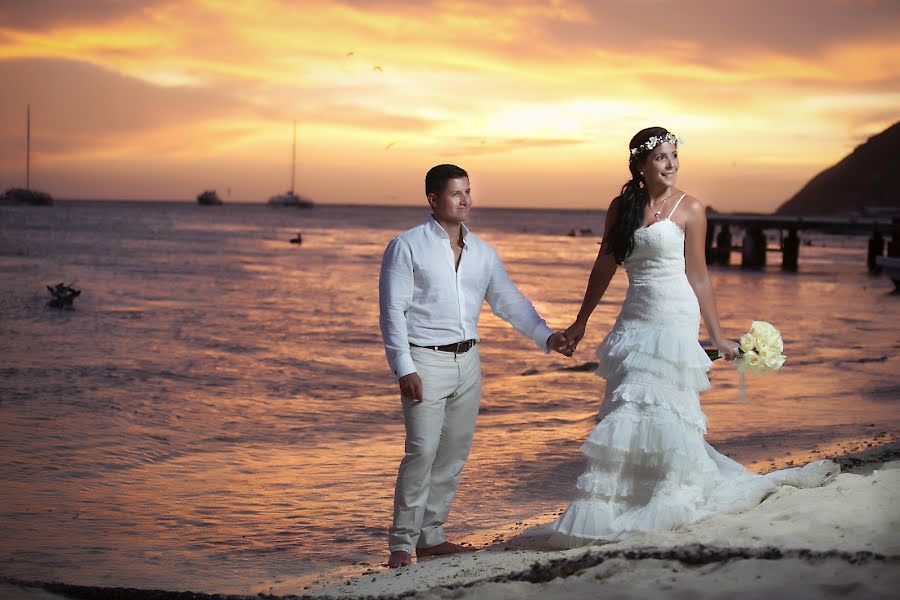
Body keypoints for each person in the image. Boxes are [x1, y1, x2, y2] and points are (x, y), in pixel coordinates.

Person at [549, 127, 838, 547]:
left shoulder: (691, 208)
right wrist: (581, 322)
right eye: (662, 158)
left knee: (666, 403)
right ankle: (622, 500)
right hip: (635, 315)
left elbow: (698, 275)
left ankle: (672, 492)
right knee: (627, 401)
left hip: (675, 313)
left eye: (674, 156)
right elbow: (604, 266)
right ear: (641, 165)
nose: (671, 165)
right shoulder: (621, 207)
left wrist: (717, 336)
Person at [379, 164, 570, 567]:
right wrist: (403, 367)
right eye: (456, 193)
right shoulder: (406, 246)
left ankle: (431, 536)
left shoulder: (483, 252)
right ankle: (401, 542)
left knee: (453, 454)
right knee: (421, 451)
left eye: (468, 191)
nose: (466, 200)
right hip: (424, 360)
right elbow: (392, 311)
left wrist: (546, 336)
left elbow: (508, 301)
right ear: (433, 199)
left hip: (469, 362)